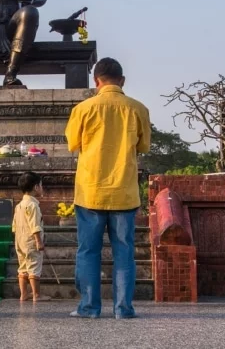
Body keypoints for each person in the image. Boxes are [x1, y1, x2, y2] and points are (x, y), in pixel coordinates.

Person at [65, 57, 151, 319]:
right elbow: (143, 147)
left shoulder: (83, 108)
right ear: (122, 81)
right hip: (124, 192)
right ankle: (123, 309)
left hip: (90, 190)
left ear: (96, 81)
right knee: (124, 252)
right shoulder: (138, 109)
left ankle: (89, 307)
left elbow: (72, 144)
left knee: (88, 251)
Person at [12, 171, 50, 302]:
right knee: (34, 266)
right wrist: (39, 241)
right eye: (41, 185)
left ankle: (23, 294)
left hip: (20, 240)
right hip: (31, 241)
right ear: (35, 187)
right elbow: (35, 225)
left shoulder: (19, 205)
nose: (42, 188)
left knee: (22, 266)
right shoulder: (33, 205)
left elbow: (14, 225)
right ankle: (36, 295)